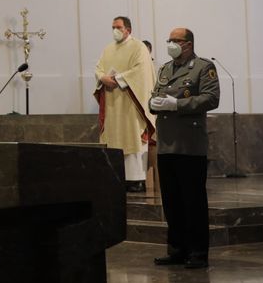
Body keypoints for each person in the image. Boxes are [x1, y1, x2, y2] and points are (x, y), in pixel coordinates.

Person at [149, 28, 219, 269]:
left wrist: (177, 104)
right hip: (167, 144)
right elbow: (155, 94)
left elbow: (211, 98)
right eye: (169, 40)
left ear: (188, 44)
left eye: (175, 40)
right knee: (172, 201)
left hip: (189, 145)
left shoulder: (203, 67)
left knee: (193, 201)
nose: (170, 44)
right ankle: (177, 250)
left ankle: (198, 253)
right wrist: (154, 103)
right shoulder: (165, 69)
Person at [94, 17, 155, 193]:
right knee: (114, 139)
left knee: (133, 136)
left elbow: (141, 71)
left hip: (131, 103)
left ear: (128, 29)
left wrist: (118, 79)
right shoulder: (108, 49)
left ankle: (136, 180)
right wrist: (102, 78)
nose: (115, 30)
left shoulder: (138, 47)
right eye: (113, 27)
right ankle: (117, 177)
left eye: (118, 27)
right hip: (113, 104)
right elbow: (98, 68)